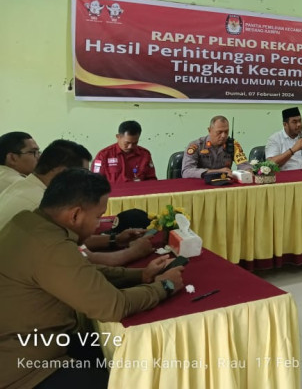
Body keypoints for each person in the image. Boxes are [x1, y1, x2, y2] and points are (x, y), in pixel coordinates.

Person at [0, 168, 184, 389]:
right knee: (127, 378)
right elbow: (113, 306)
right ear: (75, 214)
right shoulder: (51, 246)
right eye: (98, 216)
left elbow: (82, 272)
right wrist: (165, 286)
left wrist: (141, 275)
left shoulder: (28, 223)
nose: (99, 225)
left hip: (36, 343)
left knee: (113, 354)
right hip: (27, 369)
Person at [0, 139, 153, 265]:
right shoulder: (42, 205)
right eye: (82, 174)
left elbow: (69, 239)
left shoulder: (25, 186)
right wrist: (134, 252)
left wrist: (115, 239)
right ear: (61, 172)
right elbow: (84, 258)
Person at [182, 115, 251, 178]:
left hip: (224, 183)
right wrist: (216, 172)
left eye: (226, 132)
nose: (223, 135)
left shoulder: (232, 145)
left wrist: (248, 171)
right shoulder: (197, 145)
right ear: (209, 130)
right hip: (202, 184)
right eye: (219, 132)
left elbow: (244, 165)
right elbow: (186, 171)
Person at [92, 120, 157, 183]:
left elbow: (151, 180)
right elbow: (95, 181)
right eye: (127, 143)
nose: (130, 146)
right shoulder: (103, 155)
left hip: (138, 192)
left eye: (135, 143)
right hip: (113, 193)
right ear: (118, 137)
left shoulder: (145, 155)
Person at [264, 107, 302, 172]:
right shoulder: (274, 139)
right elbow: (270, 164)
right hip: (285, 177)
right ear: (285, 124)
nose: (299, 124)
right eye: (294, 122)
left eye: (300, 121)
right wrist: (293, 150)